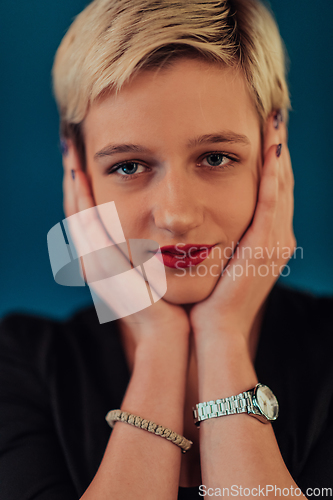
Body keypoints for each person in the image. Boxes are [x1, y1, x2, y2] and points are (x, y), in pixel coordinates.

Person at [0, 0, 333, 499]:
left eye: (215, 157)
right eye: (129, 166)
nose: (176, 215)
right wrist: (158, 343)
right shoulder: (20, 362)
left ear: (272, 149)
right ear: (78, 169)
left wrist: (221, 337)